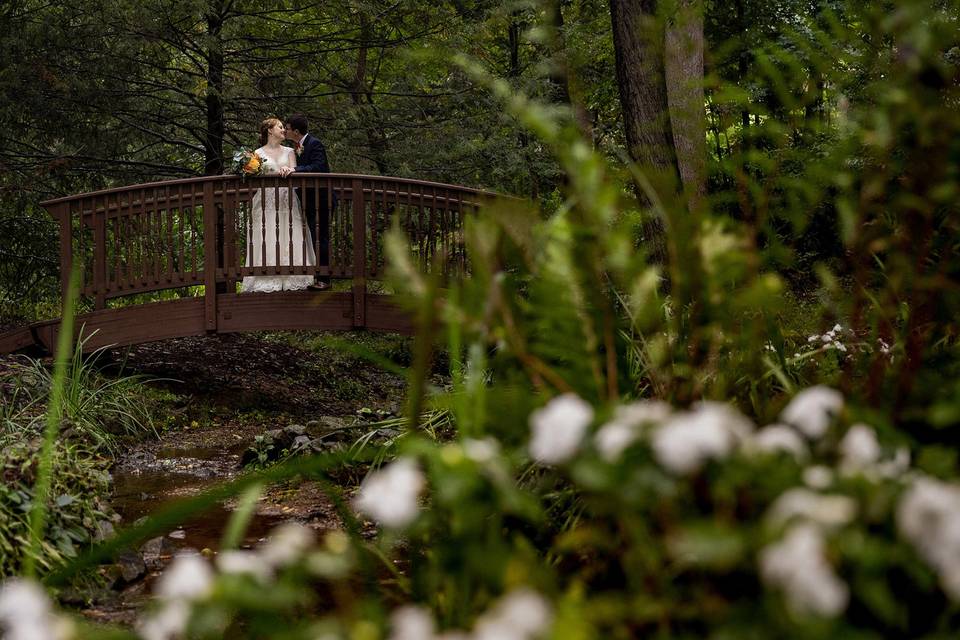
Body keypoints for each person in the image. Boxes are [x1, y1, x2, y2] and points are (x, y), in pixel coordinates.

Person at [241, 117, 316, 293]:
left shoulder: (290, 151)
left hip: (286, 198)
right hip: (266, 200)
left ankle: (293, 277)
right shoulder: (257, 154)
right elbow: (252, 178)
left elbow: (295, 172)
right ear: (269, 130)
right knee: (267, 234)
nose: (284, 130)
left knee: (291, 232)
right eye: (280, 127)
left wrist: (290, 170)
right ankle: (267, 278)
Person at [280, 114, 332, 290]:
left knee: (321, 237)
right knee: (314, 237)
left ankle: (324, 279)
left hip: (321, 200)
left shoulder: (314, 144)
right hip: (310, 201)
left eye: (286, 128)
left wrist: (295, 170)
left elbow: (320, 167)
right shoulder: (298, 147)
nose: (285, 131)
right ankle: (317, 276)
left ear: (295, 131)